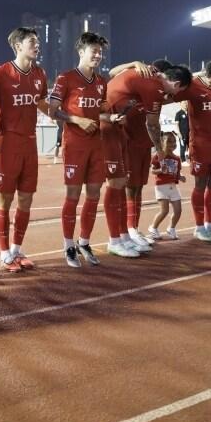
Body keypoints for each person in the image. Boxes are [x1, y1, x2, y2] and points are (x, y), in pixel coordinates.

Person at [47, 32, 121, 267]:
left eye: (100, 52)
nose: (98, 55)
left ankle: (84, 242)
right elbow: (52, 110)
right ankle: (68, 245)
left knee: (94, 195)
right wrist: (77, 120)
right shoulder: (66, 78)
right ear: (81, 52)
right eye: (94, 51)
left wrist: (110, 116)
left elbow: (99, 112)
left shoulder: (100, 82)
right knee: (72, 196)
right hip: (75, 145)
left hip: (96, 145)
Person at [105, 62, 192, 253]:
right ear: (176, 84)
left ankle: (129, 231)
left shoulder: (150, 82)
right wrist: (161, 152)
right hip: (121, 133)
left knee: (136, 186)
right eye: (178, 92)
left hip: (137, 137)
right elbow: (153, 124)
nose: (174, 98)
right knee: (122, 186)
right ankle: (120, 235)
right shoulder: (153, 85)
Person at [0, 27, 51, 271]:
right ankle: (4, 253)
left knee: (26, 199)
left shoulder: (39, 74)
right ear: (18, 46)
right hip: (7, 143)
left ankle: (16, 249)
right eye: (32, 42)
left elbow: (43, 103)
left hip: (29, 143)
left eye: (37, 41)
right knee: (3, 200)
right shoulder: (0, 74)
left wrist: (68, 117)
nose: (37, 45)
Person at [171, 60, 211, 242]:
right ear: (205, 75)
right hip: (200, 143)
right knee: (200, 184)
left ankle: (209, 226)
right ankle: (198, 228)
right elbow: (169, 96)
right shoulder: (192, 85)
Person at [146, 131, 186, 240]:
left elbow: (176, 174)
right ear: (162, 143)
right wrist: (160, 170)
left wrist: (180, 177)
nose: (172, 144)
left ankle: (171, 228)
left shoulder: (177, 159)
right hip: (161, 186)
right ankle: (153, 228)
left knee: (178, 210)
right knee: (165, 210)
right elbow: (152, 171)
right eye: (169, 142)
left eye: (174, 142)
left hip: (173, 187)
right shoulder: (158, 156)